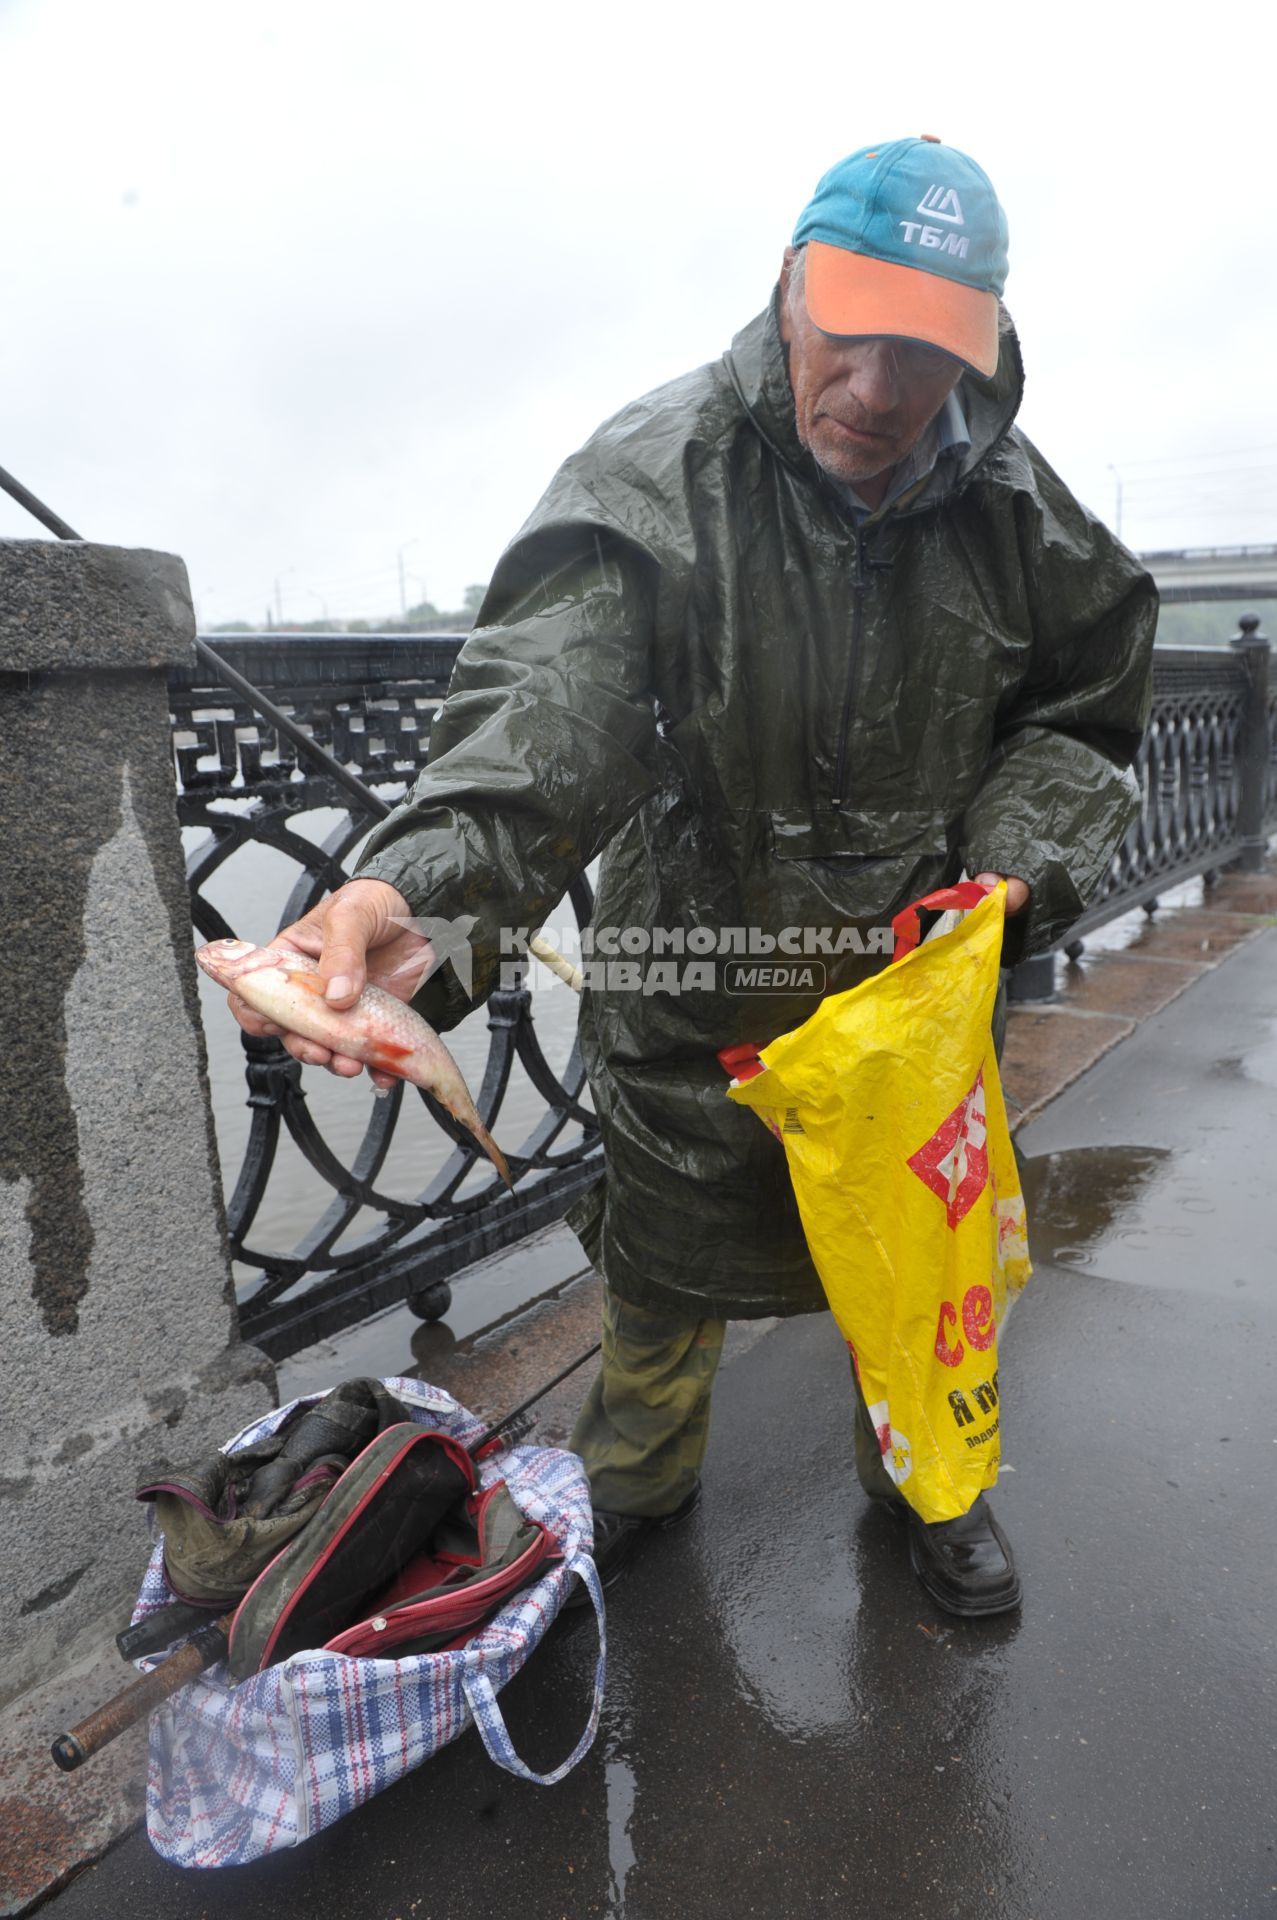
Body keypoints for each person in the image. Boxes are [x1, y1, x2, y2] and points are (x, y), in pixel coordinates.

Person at [230, 137, 1156, 1617]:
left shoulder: (1020, 508)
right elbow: (547, 723)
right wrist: (415, 894)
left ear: (977, 341)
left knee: (909, 1288)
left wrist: (1008, 866)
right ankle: (634, 1491)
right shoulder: (654, 475)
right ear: (786, 287)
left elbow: (1087, 706)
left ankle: (932, 1485)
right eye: (846, 329)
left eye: (923, 350)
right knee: (658, 1288)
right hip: (697, 989)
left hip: (906, 997)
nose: (875, 388)